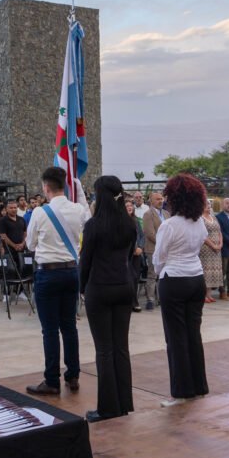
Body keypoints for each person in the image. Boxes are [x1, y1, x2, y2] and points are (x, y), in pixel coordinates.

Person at [25, 167, 90, 395]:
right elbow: (87, 228)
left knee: (50, 330)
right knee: (69, 327)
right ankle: (73, 376)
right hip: (72, 272)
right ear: (65, 185)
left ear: (46, 187)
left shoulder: (40, 213)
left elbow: (30, 245)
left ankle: (51, 380)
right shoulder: (78, 210)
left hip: (48, 273)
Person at [79, 175, 136, 422]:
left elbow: (86, 261)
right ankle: (123, 403)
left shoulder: (94, 225)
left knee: (104, 350)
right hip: (124, 285)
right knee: (121, 347)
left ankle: (107, 407)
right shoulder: (130, 224)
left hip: (99, 288)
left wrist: (82, 287)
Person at [153, 173, 210, 405]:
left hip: (174, 279)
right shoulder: (200, 223)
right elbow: (199, 246)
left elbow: (159, 258)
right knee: (193, 334)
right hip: (196, 279)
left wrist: (161, 275)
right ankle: (199, 386)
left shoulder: (169, 225)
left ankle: (181, 392)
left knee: (176, 338)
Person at [141, 191, 164, 310]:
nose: (161, 201)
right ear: (151, 201)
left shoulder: (167, 213)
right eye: (158, 199)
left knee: (164, 275)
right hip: (153, 249)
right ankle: (150, 299)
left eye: (161, 198)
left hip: (166, 250)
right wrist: (163, 244)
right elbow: (150, 233)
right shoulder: (148, 214)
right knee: (152, 274)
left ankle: (162, 298)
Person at [199, 199, 224, 302]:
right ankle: (203, 295)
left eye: (209, 204)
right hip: (206, 248)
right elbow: (202, 235)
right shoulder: (200, 218)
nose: (208, 206)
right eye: (206, 204)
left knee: (213, 271)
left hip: (217, 249)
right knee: (206, 271)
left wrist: (220, 244)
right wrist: (213, 245)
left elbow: (219, 231)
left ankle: (209, 294)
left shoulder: (213, 217)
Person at [125, 201, 145, 312]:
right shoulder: (120, 221)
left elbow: (142, 236)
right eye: (126, 206)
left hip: (137, 255)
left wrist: (140, 247)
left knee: (135, 278)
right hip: (126, 255)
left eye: (130, 205)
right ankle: (129, 302)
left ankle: (134, 301)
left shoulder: (136, 220)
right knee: (128, 278)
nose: (129, 207)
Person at [0, 199, 27, 273]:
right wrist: (14, 246)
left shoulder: (22, 219)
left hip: (21, 249)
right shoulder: (3, 220)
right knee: (11, 271)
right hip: (9, 250)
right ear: (7, 209)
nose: (13, 209)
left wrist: (23, 243)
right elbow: (3, 235)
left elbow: (25, 233)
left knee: (23, 270)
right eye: (11, 208)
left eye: (15, 207)